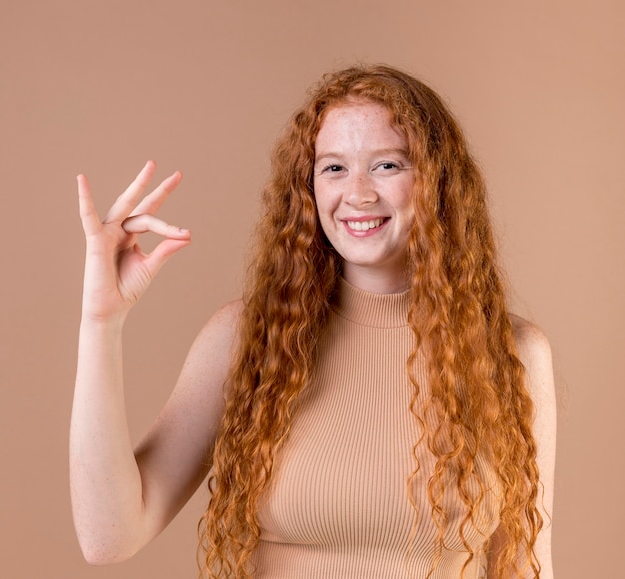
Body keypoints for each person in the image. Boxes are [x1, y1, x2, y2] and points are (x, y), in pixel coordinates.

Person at [71, 64, 556, 578]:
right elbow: (109, 536)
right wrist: (101, 322)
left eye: (388, 166)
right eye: (333, 168)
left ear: (437, 182)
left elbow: (528, 565)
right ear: (309, 189)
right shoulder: (247, 340)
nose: (359, 193)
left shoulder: (513, 352)